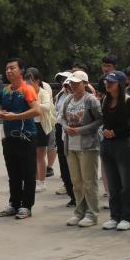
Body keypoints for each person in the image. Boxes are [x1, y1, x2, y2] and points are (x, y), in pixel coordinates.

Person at [0, 59, 42, 220]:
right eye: (7, 69)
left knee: (28, 173)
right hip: (9, 137)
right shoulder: (5, 90)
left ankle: (26, 206)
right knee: (13, 173)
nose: (9, 71)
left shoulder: (27, 89)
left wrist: (16, 116)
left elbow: (36, 110)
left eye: (12, 68)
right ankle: (14, 204)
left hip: (26, 136)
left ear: (21, 71)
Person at [60, 71, 102, 227]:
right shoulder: (68, 99)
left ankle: (92, 213)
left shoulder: (91, 100)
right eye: (71, 83)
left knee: (89, 182)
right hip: (70, 145)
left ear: (85, 83)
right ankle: (79, 212)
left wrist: (80, 130)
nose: (73, 86)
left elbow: (100, 120)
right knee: (76, 182)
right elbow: (62, 117)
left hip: (88, 146)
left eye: (77, 83)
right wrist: (66, 127)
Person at [100, 70, 130, 230]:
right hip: (107, 143)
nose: (108, 84)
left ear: (120, 84)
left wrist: (117, 132)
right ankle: (114, 215)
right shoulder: (105, 99)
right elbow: (104, 120)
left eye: (112, 82)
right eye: (107, 81)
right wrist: (105, 130)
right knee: (112, 182)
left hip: (123, 143)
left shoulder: (129, 101)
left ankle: (127, 216)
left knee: (126, 182)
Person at [25, 68, 55, 194]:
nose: (28, 83)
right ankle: (34, 180)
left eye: (30, 80)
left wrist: (34, 106)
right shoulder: (25, 92)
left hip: (41, 126)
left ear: (37, 81)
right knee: (31, 154)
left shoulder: (43, 92)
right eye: (26, 80)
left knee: (40, 155)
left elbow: (47, 107)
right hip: (29, 125)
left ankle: (41, 182)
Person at [52, 72, 76, 207]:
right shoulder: (60, 95)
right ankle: (71, 193)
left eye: (66, 80)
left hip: (76, 132)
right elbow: (56, 112)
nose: (64, 83)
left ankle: (80, 196)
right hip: (61, 130)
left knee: (75, 165)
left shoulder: (81, 95)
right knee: (63, 163)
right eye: (61, 80)